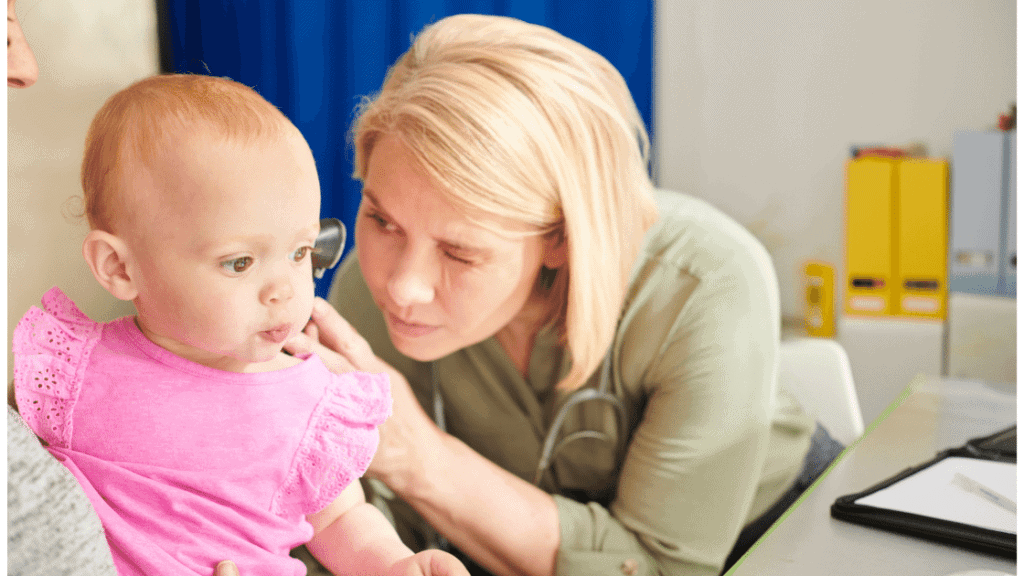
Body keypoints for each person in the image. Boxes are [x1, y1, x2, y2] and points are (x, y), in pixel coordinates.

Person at [284, 14, 844, 576]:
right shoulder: (365, 287)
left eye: (460, 253)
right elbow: (350, 532)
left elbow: (662, 569)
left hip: (779, 535)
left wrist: (420, 459)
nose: (400, 284)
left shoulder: (702, 283)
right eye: (381, 219)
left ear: (558, 237)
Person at [12, 73, 468, 576]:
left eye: (300, 252)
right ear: (121, 269)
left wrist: (394, 566)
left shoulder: (312, 401)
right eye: (240, 263)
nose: (284, 290)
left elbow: (342, 519)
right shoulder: (72, 370)